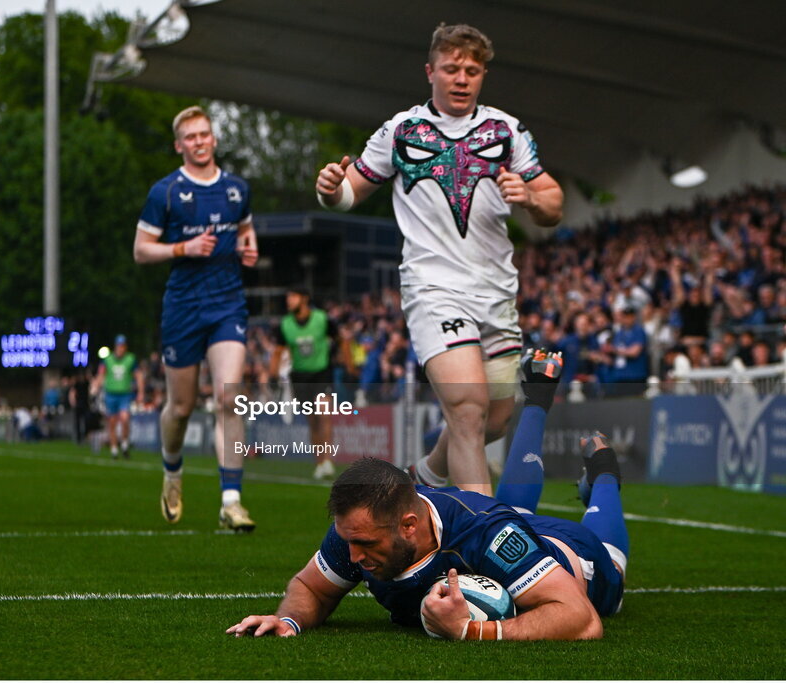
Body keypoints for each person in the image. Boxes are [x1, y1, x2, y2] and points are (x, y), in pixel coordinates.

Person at [315, 23, 563, 496]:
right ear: (430, 72)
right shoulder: (401, 130)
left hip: (496, 294)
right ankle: (482, 538)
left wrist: (529, 195)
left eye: (472, 70)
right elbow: (350, 192)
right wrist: (331, 190)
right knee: (468, 410)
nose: (462, 78)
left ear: (483, 74)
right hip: (433, 288)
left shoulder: (506, 130)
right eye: (452, 69)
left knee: (494, 418)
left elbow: (553, 203)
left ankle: (426, 473)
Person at [227, 351, 628, 640]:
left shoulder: (487, 534)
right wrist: (289, 621)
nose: (352, 558)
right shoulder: (356, 530)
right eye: (349, 542)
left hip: (574, 558)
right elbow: (311, 587)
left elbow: (582, 619)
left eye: (364, 544)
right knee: (513, 513)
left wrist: (474, 631)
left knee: (610, 558)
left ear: (409, 525)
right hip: (503, 527)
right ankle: (538, 394)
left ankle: (605, 473)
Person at [133, 105, 259, 531]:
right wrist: (180, 249)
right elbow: (140, 249)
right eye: (190, 137)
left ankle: (231, 501)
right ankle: (172, 470)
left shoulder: (237, 189)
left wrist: (249, 248)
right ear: (179, 145)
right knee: (181, 406)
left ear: (214, 139)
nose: (199, 142)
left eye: (204, 134)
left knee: (229, 397)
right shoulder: (165, 192)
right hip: (183, 307)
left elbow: (245, 229)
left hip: (227, 304)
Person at [269, 286, 339, 479]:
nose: (289, 300)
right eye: (288, 297)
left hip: (322, 372)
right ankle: (319, 462)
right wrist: (272, 375)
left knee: (324, 414)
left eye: (293, 296)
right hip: (300, 376)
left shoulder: (322, 319)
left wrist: (346, 362)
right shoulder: (285, 325)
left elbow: (340, 339)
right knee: (313, 421)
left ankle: (328, 461)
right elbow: (278, 352)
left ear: (305, 299)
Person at [98, 335, 144, 458]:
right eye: (119, 346)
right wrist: (96, 387)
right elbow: (101, 374)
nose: (121, 349)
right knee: (112, 422)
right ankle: (114, 449)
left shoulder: (130, 359)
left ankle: (124, 444)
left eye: (123, 346)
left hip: (124, 394)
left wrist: (141, 392)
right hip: (110, 394)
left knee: (125, 418)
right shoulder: (107, 359)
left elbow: (138, 376)